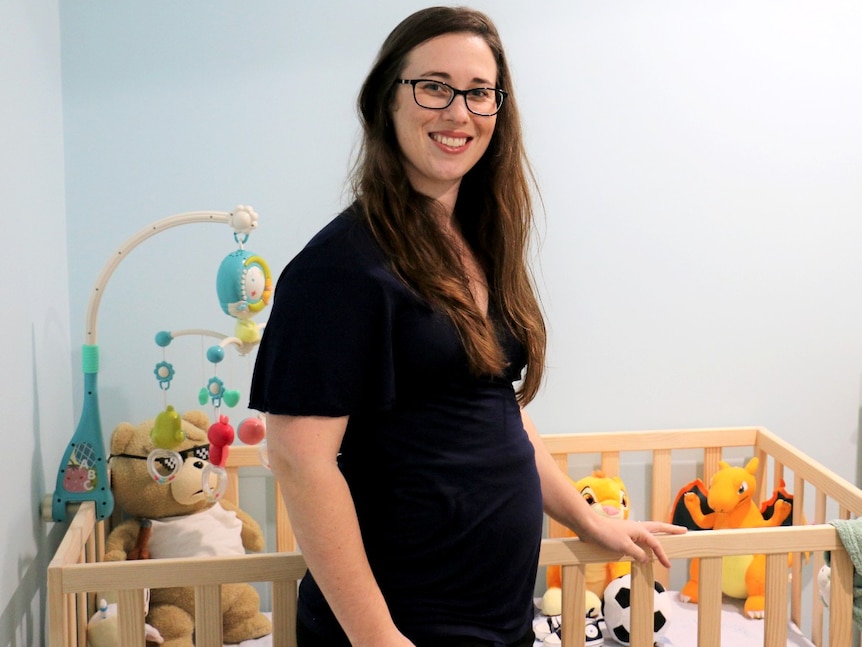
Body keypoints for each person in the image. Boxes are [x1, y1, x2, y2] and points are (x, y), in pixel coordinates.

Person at [249, 6, 684, 647]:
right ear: (384, 102)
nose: (459, 112)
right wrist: (377, 637)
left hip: (499, 618)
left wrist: (585, 518)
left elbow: (493, 410)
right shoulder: (340, 267)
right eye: (434, 86)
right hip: (407, 622)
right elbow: (298, 459)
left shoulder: (476, 242)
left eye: (480, 93)